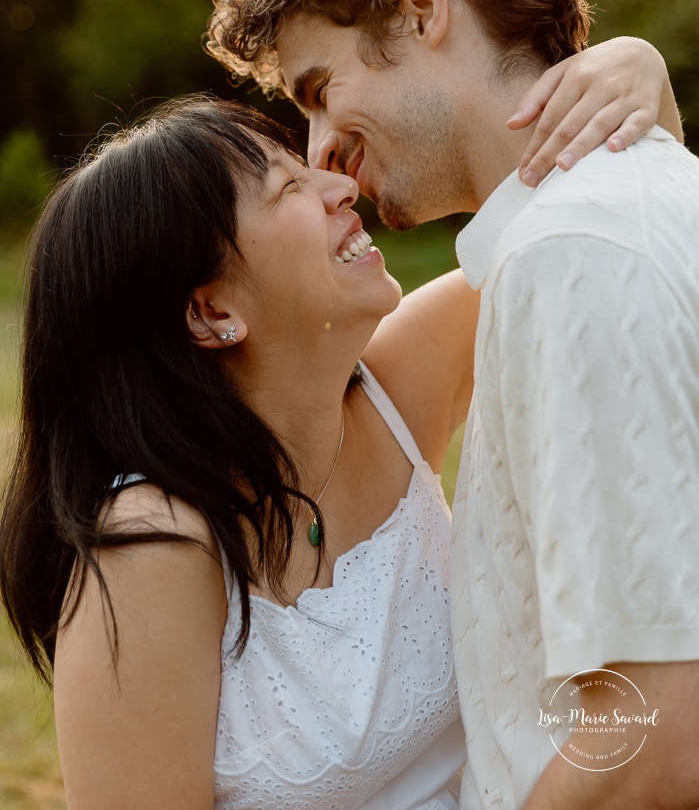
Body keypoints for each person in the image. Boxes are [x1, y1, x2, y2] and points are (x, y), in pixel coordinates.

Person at [0, 90, 666, 810]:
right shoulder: (149, 548)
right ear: (211, 311)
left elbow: (603, 238)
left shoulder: (398, 384)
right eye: (287, 186)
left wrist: (644, 85)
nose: (341, 184)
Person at [205, 0, 697, 809]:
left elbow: (656, 731)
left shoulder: (573, 257)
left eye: (317, 90)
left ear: (421, 8)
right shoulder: (614, 213)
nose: (320, 157)